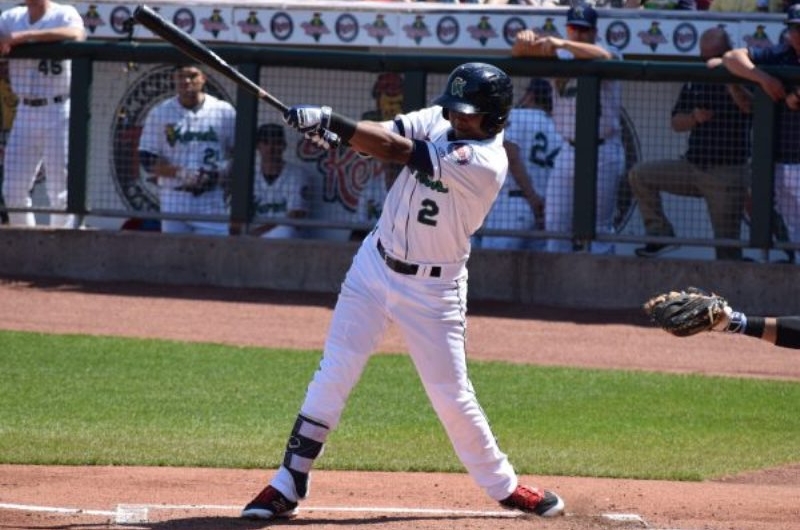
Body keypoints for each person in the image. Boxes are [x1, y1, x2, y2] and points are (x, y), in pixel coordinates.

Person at [240, 62, 565, 521]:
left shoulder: (487, 163)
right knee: (334, 372)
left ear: (494, 117)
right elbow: (386, 130)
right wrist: (338, 138)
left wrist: (332, 122)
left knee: (451, 396)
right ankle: (287, 482)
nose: (457, 119)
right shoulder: (441, 117)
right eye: (454, 109)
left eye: (469, 114)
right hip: (373, 265)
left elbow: (394, 149)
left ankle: (505, 486)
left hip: (433, 290)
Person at [628, 27, 752, 261]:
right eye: (704, 57)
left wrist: (729, 77)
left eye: (715, 55)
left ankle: (736, 292)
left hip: (726, 174)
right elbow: (676, 122)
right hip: (692, 168)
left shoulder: (745, 73)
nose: (709, 61)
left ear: (728, 52)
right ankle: (660, 233)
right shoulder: (697, 76)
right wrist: (694, 118)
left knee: (726, 252)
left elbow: (750, 107)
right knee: (640, 175)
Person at [513, 3, 625, 254]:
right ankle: (555, 288)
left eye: (584, 30)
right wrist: (525, 38)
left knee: (600, 229)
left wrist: (562, 43)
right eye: (574, 29)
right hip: (569, 150)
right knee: (555, 225)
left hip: (603, 150)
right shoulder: (559, 56)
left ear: (595, 32)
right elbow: (519, 51)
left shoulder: (609, 50)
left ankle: (600, 286)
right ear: (567, 28)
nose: (579, 34)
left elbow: (603, 57)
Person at [721, 4, 800, 251]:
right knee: (794, 227)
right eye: (796, 28)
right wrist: (764, 78)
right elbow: (730, 58)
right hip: (781, 159)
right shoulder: (781, 53)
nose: (798, 34)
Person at [0, 0, 84, 228]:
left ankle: (63, 248)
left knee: (60, 190)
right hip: (25, 110)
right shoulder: (11, 17)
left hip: (58, 108)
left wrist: (23, 37)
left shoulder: (63, 12)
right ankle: (26, 243)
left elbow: (76, 34)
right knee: (12, 189)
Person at [138, 64, 236, 235]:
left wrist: (221, 172)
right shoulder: (160, 112)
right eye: (181, 76)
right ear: (173, 79)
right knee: (174, 256)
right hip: (174, 198)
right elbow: (147, 158)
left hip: (211, 198)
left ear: (203, 78)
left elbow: (241, 153)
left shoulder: (224, 111)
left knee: (214, 253)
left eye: (192, 75)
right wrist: (182, 173)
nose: (186, 81)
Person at [481, 78, 560, 250]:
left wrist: (532, 198)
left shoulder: (518, 115)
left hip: (513, 206)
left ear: (530, 96)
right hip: (544, 213)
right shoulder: (559, 129)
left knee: (494, 266)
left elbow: (511, 154)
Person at [351, 72, 405, 241]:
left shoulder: (413, 186)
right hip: (374, 247)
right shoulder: (371, 188)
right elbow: (357, 229)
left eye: (395, 159)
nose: (391, 164)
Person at [248, 123, 312, 239]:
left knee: (286, 231)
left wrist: (257, 233)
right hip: (254, 237)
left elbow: (296, 217)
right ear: (258, 146)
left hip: (285, 238)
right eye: (266, 142)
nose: (271, 148)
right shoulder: (248, 177)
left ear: (284, 145)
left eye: (276, 142)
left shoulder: (297, 174)